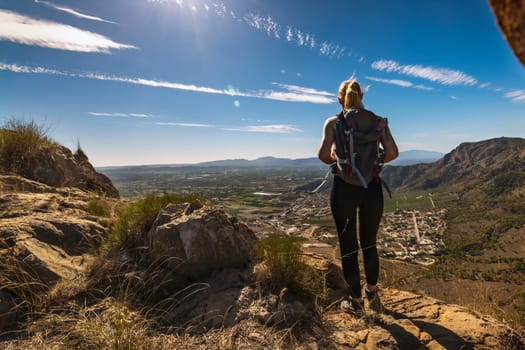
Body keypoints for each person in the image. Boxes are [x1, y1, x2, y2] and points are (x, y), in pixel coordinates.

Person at [317, 79, 398, 314]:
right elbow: (392, 152)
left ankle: (355, 302)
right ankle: (372, 291)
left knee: (348, 245)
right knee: (369, 243)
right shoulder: (378, 122)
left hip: (344, 189)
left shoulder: (333, 123)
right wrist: (376, 161)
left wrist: (336, 157)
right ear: (362, 96)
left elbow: (323, 155)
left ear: (339, 98)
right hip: (372, 187)